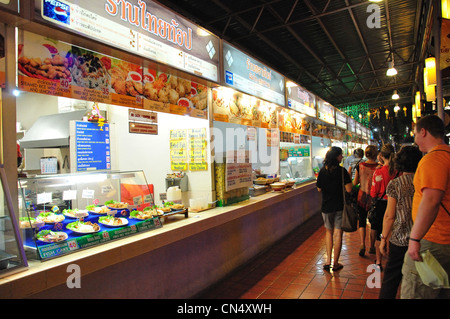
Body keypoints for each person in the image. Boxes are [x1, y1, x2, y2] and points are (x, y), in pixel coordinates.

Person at [401, 115, 450, 299]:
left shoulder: (433, 159)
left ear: (423, 132)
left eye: (415, 133)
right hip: (444, 240)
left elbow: (431, 201)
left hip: (432, 241)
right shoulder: (447, 155)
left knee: (416, 291)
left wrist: (414, 239)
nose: (415, 139)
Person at [379, 145, 422, 299]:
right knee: (418, 279)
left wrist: (383, 238)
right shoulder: (423, 181)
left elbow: (390, 216)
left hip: (400, 239)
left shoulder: (395, 184)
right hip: (421, 239)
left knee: (391, 279)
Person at [316, 146, 352, 272]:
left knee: (328, 232)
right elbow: (349, 189)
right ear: (336, 157)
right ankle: (335, 262)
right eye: (340, 155)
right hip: (339, 206)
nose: (342, 157)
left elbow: (319, 188)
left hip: (326, 206)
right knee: (338, 234)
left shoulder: (322, 171)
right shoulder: (342, 172)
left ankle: (327, 261)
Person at [370, 144, 397, 269]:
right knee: (392, 232)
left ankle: (379, 261)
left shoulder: (379, 172)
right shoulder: (398, 172)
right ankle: (391, 259)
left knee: (380, 233)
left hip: (381, 204)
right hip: (395, 204)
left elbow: (373, 192)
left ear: (381, 156)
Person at [352, 145, 379, 257]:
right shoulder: (379, 167)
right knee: (374, 223)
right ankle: (372, 246)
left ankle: (362, 244)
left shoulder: (360, 165)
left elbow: (354, 182)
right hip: (375, 197)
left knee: (362, 221)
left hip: (361, 196)